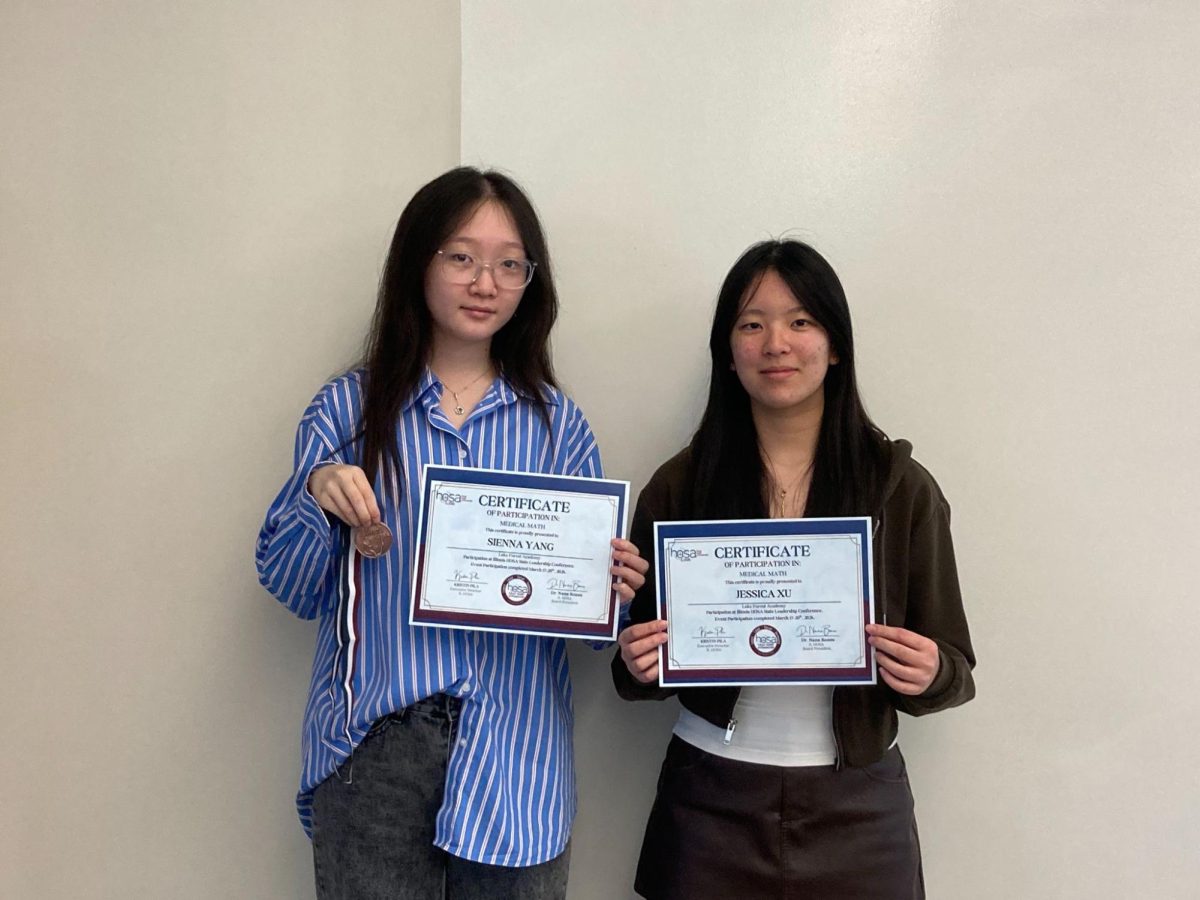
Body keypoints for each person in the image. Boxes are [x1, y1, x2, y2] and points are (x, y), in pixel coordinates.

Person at [256, 166, 647, 900]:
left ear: (532, 282)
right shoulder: (348, 410)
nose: (485, 282)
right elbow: (289, 586)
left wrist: (615, 590)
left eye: (510, 264)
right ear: (418, 263)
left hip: (516, 753)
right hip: (374, 747)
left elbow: (597, 633)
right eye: (461, 256)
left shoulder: (558, 427)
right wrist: (316, 491)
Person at [612, 239, 975, 900]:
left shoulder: (901, 487)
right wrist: (637, 662)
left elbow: (954, 666)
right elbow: (636, 667)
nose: (776, 342)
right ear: (728, 351)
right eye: (752, 324)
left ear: (835, 345)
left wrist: (930, 672)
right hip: (708, 797)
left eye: (801, 321)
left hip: (859, 807)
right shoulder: (680, 485)